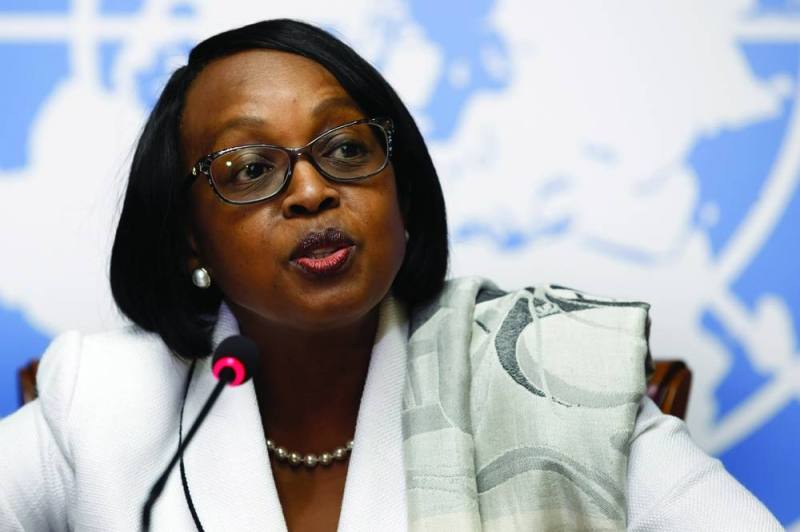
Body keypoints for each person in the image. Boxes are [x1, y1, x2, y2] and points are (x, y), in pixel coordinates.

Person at [0, 19, 783, 532]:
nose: (311, 191)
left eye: (346, 150)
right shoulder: (103, 401)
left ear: (400, 194)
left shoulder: (543, 379)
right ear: (189, 241)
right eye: (249, 168)